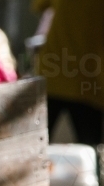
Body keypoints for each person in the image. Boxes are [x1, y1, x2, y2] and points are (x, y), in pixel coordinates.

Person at [31, 0, 104, 147]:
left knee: (35, 145)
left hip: (53, 74)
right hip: (89, 80)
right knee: (92, 148)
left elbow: (37, 5)